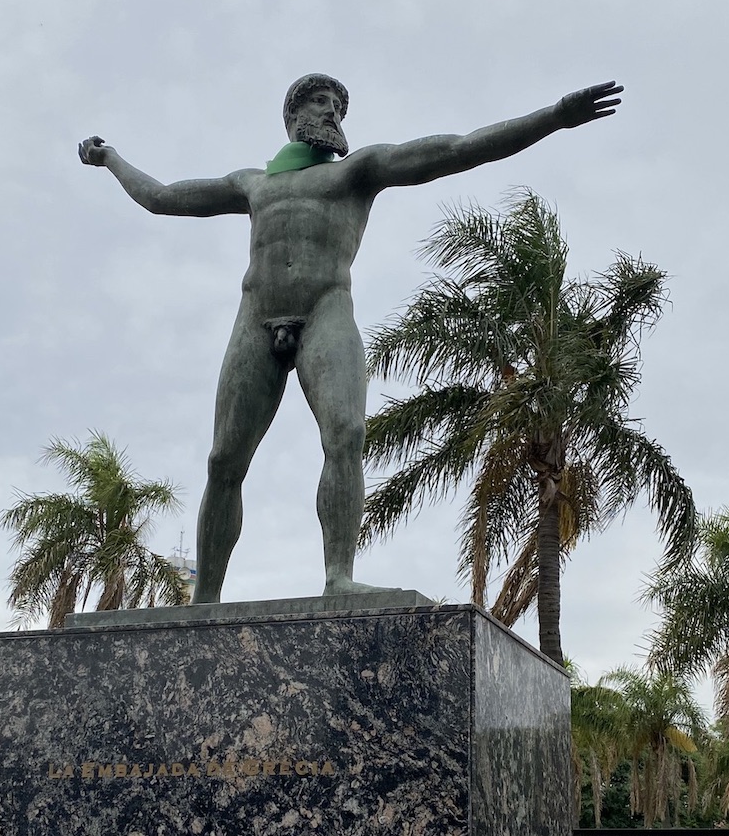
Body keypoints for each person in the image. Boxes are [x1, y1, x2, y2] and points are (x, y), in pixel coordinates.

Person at [79, 73, 621, 602]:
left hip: (325, 308)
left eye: (338, 107)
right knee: (224, 460)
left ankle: (338, 575)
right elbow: (162, 197)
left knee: (346, 433)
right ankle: (207, 596)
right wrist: (111, 159)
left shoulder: (357, 171)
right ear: (293, 115)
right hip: (255, 315)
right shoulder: (253, 183)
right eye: (320, 102)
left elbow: (457, 150)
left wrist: (554, 117)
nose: (332, 113)